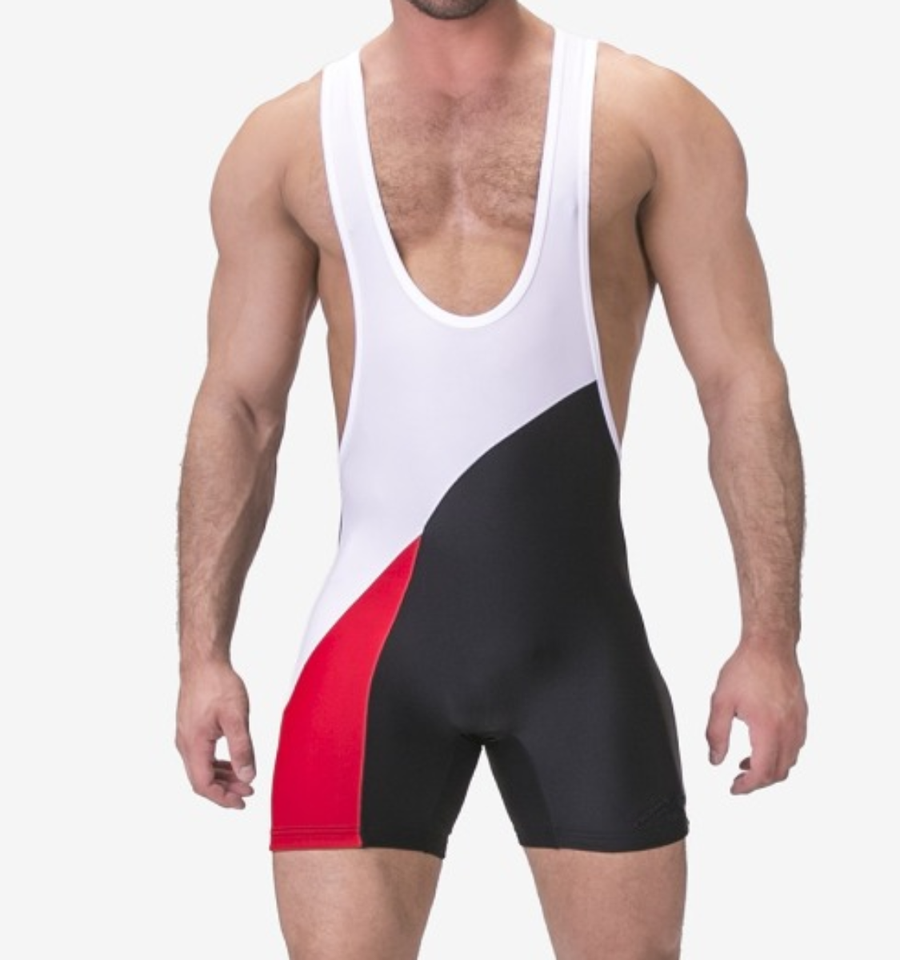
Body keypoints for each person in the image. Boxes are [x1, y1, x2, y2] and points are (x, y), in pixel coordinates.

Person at [175, 1, 808, 956]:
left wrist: (770, 640)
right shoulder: (287, 143)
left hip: (582, 661)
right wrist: (202, 656)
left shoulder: (647, 116)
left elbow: (740, 383)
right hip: (367, 658)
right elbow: (239, 408)